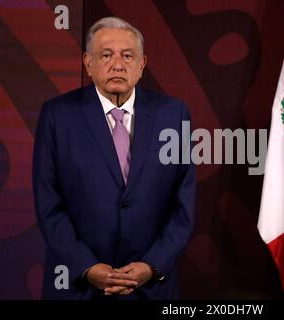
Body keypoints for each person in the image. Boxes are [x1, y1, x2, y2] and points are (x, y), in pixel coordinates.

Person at [32, 16, 195, 300]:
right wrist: (87, 266)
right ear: (88, 63)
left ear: (142, 64)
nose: (118, 64)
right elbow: (49, 204)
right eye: (106, 55)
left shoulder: (174, 114)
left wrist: (151, 266)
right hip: (77, 287)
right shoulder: (57, 116)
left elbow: (183, 204)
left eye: (128, 56)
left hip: (151, 288)